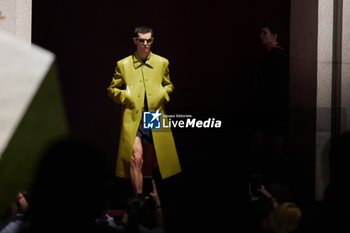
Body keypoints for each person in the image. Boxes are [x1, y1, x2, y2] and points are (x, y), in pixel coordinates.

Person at [107, 26, 181, 194]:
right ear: (135, 41)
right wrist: (126, 96)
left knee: (149, 164)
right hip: (133, 116)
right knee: (136, 158)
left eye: (149, 40)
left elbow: (169, 85)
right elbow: (112, 89)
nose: (146, 43)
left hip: (153, 114)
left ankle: (150, 201)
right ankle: (137, 199)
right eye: (142, 40)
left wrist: (162, 93)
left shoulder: (162, 62)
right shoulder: (124, 64)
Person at [251, 21, 289, 177]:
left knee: (267, 156)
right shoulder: (273, 55)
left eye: (264, 33)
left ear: (274, 36)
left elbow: (275, 87)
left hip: (271, 115)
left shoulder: (277, 56)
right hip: (269, 114)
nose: (261, 36)